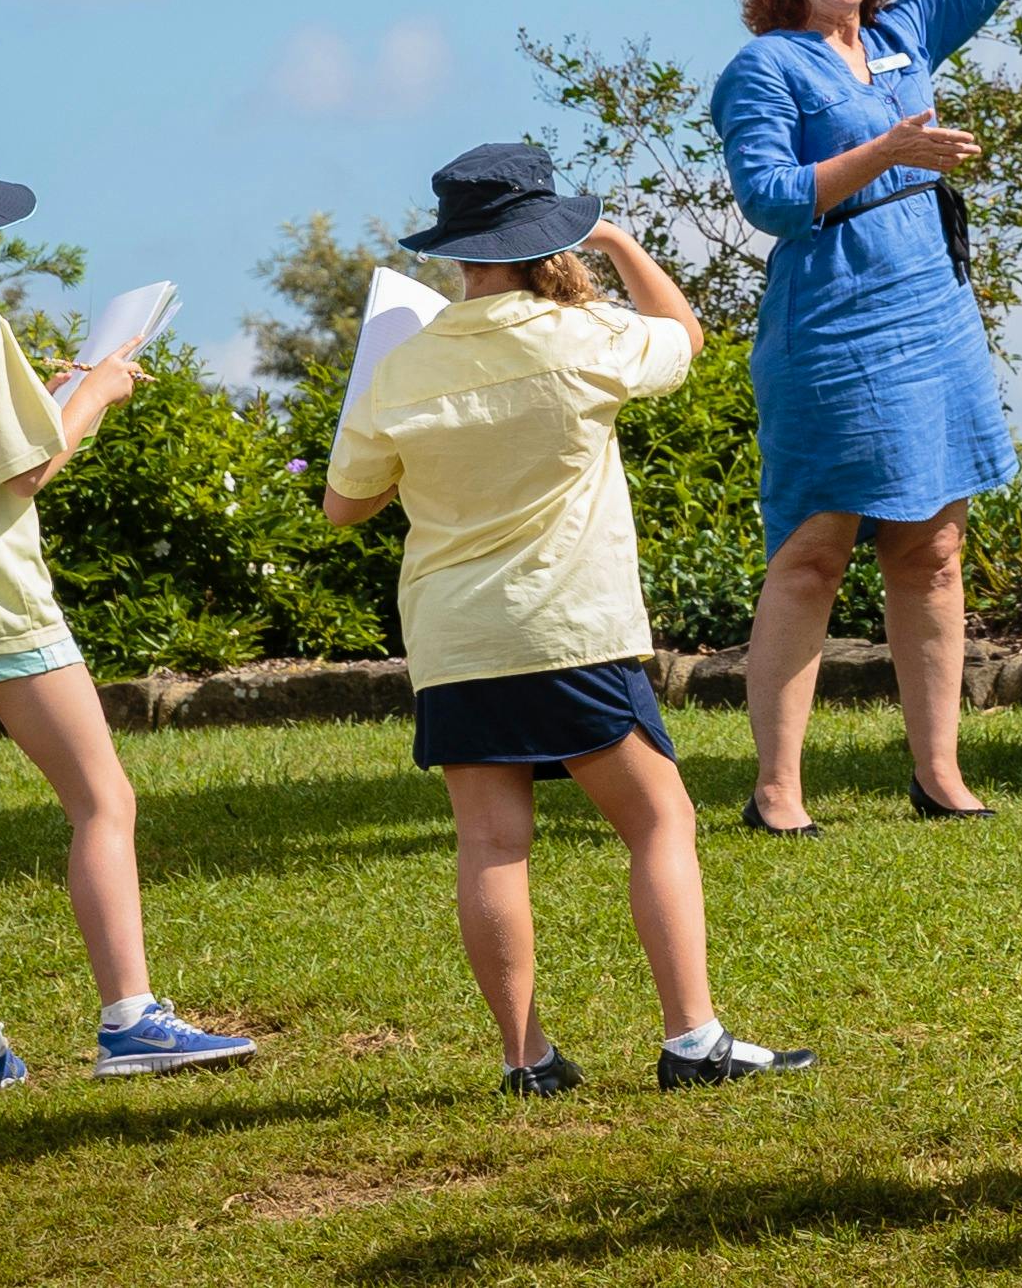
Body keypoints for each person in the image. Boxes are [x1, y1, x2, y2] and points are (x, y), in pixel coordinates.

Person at [322, 142, 816, 1096]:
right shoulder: (584, 338)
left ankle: (526, 1060)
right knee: (659, 820)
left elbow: (346, 505)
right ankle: (691, 1040)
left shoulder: (403, 363)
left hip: (454, 640)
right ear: (544, 236)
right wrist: (622, 242)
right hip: (569, 631)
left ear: (459, 249)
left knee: (491, 844)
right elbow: (684, 335)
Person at [703, 0, 1022, 832]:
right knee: (814, 551)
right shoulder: (762, 68)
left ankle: (939, 774)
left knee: (937, 544)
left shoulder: (909, 34)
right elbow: (770, 197)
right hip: (831, 325)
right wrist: (888, 150)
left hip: (932, 311)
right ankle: (777, 793)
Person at [0, 141, 255, 1089]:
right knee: (102, 802)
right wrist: (99, 392)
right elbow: (25, 469)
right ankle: (131, 1019)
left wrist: (58, 392)